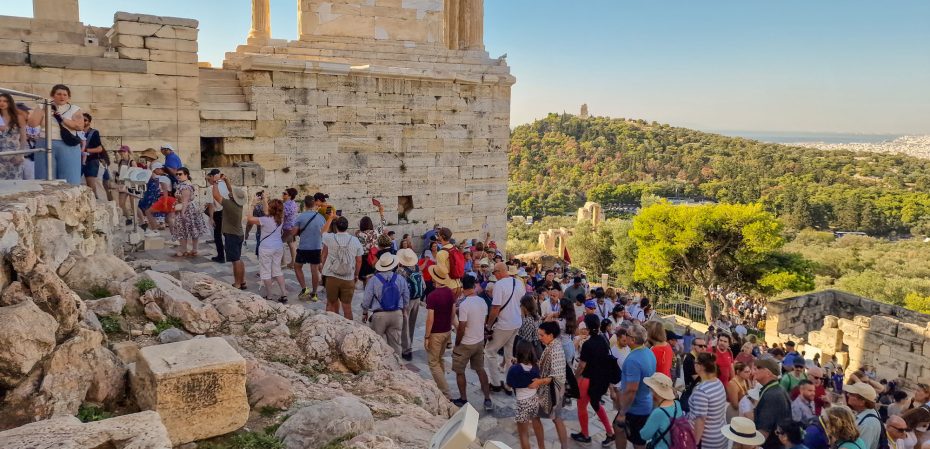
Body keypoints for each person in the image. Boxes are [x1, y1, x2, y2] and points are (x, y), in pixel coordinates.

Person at [573, 314, 617, 445]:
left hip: (588, 380)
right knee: (596, 404)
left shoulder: (588, 344)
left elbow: (581, 366)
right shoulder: (604, 340)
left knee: (581, 406)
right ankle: (610, 432)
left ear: (587, 327)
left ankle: (585, 435)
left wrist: (575, 379)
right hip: (600, 379)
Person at [28, 84, 83, 184]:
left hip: (67, 144)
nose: (62, 97)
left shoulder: (74, 109)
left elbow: (79, 126)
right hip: (45, 142)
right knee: (44, 176)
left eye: (65, 95)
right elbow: (32, 123)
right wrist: (45, 107)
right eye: (58, 94)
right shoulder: (42, 106)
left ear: (68, 97)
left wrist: (62, 119)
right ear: (53, 95)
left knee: (70, 178)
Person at [484, 262, 525, 394]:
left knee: (490, 351)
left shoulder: (499, 285)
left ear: (500, 271)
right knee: (509, 355)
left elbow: (495, 307)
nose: (494, 275)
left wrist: (489, 325)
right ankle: (508, 384)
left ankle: (495, 383)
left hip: (504, 324)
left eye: (495, 272)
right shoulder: (519, 283)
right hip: (516, 323)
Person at [613, 323, 656, 449]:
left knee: (637, 442)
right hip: (645, 403)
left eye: (627, 334)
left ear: (633, 339)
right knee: (621, 430)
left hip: (635, 408)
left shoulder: (633, 360)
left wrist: (622, 412)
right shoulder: (649, 353)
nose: (624, 336)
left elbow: (632, 390)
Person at [452, 275, 492, 410]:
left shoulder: (464, 305)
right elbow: (484, 320)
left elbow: (462, 326)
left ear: (463, 287)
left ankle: (463, 399)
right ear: (474, 286)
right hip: (479, 341)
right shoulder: (482, 302)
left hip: (466, 343)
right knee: (480, 370)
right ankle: (487, 398)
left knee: (459, 371)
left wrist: (457, 341)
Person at [361, 253, 410, 355]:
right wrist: (404, 310)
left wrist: (365, 312)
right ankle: (397, 367)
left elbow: (367, 298)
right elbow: (406, 296)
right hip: (397, 314)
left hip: (379, 315)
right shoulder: (400, 278)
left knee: (376, 344)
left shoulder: (374, 279)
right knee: (396, 345)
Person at [321, 213, 363, 320]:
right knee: (347, 307)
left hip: (331, 276)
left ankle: (331, 325)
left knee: (331, 303)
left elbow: (323, 232)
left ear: (336, 226)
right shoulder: (355, 240)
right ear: (347, 226)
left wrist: (330, 218)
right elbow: (359, 261)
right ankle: (349, 329)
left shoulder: (330, 238)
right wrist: (356, 275)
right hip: (348, 277)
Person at [424, 264, 457, 399]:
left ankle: (445, 392)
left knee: (433, 362)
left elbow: (430, 319)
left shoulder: (432, 296)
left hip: (436, 333)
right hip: (446, 331)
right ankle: (441, 384)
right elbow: (453, 312)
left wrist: (427, 336)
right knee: (440, 359)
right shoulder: (450, 292)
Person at [246, 196, 287, 302]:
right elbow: (266, 211)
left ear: (271, 208)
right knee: (277, 270)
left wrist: (252, 204)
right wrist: (264, 199)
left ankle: (269, 296)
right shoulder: (281, 218)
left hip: (266, 248)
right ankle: (284, 294)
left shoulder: (264, 220)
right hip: (278, 247)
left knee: (266, 272)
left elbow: (249, 219)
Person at [507, 341, 546, 449]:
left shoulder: (514, 369)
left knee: (523, 434)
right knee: (537, 422)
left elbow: (509, 384)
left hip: (522, 403)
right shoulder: (536, 368)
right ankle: (542, 447)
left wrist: (514, 366)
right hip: (534, 400)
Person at [212, 175, 246, 290]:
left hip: (232, 236)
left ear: (233, 197)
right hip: (239, 234)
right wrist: (226, 180)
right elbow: (232, 192)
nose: (230, 193)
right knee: (239, 258)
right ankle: (243, 281)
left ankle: (237, 284)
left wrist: (215, 183)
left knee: (235, 260)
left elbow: (216, 196)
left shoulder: (229, 205)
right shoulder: (239, 204)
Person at [688, 352, 728, 449]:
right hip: (720, 435)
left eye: (695, 362)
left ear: (700, 366)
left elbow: (700, 420)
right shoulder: (718, 382)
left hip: (706, 441)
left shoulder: (701, 391)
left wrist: (695, 443)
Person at [291, 195, 326, 301]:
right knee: (314, 270)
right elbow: (324, 232)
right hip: (316, 247)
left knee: (297, 266)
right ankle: (314, 294)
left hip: (303, 247)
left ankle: (304, 288)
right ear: (314, 204)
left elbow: (294, 232)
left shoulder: (300, 217)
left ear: (304, 205)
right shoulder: (321, 217)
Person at [169, 167, 209, 258]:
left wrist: (183, 213)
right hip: (186, 208)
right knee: (187, 229)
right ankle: (190, 249)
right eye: (177, 174)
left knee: (186, 229)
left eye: (180, 174)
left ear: (186, 175)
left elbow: (185, 201)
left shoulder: (185, 186)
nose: (178, 176)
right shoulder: (183, 184)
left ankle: (189, 249)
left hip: (187, 210)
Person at [753, 357, 793, 449]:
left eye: (758, 367)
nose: (754, 370)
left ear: (768, 373)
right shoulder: (777, 389)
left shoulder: (772, 396)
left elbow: (763, 433)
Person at [640, 373, 684, 449]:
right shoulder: (677, 404)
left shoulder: (658, 413)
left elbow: (644, 435)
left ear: (655, 392)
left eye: (650, 388)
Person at [397, 248, 424, 361]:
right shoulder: (417, 268)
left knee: (405, 325)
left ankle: (406, 350)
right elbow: (423, 285)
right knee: (412, 323)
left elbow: (399, 288)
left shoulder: (401, 271)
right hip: (417, 299)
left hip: (406, 301)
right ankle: (410, 344)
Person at [844, 381, 882, 449]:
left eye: (851, 394)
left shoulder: (868, 423)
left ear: (862, 401)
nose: (848, 395)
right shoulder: (865, 414)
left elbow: (861, 447)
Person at [0, 93, 28, 180]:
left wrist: (20, 155)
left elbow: (23, 138)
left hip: (14, 156)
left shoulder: (18, 117)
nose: (2, 103)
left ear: (10, 103)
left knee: (15, 184)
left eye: (5, 101)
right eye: (0, 101)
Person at [356, 204, 386, 283]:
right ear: (371, 224)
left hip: (364, 259)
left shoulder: (359, 234)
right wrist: (381, 212)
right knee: (375, 278)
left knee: (365, 279)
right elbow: (383, 224)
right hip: (375, 258)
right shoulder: (376, 233)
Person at [205, 169, 229, 263]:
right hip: (227, 211)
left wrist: (211, 218)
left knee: (217, 235)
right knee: (227, 234)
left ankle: (221, 256)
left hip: (218, 213)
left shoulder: (211, 188)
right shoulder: (224, 185)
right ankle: (230, 255)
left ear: (212, 176)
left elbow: (211, 204)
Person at [281, 188, 298, 267]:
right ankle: (293, 262)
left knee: (280, 244)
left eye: (285, 194)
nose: (283, 195)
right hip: (293, 226)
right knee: (292, 244)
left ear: (290, 196)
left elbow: (283, 217)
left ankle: (283, 261)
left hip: (286, 228)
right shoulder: (294, 203)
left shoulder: (285, 205)